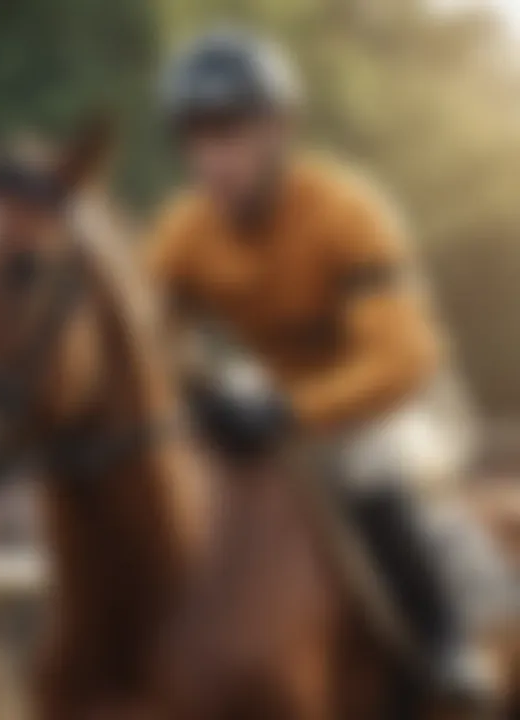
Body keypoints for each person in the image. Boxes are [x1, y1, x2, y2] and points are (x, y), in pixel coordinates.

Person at [147, 27, 496, 710]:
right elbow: (144, 338)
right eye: (195, 138)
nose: (211, 159)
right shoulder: (183, 229)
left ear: (280, 131)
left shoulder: (348, 210)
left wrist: (286, 411)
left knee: (364, 460)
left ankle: (445, 640)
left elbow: (401, 358)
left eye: (229, 134)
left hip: (405, 398)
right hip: (285, 392)